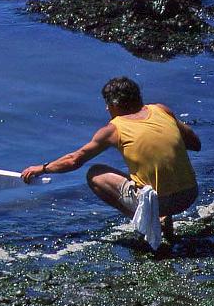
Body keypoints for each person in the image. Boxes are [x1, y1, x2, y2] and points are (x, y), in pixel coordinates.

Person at [21, 76, 200, 242]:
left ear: (114, 105)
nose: (107, 109)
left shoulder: (114, 129)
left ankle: (149, 221)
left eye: (107, 104)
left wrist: (43, 168)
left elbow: (74, 160)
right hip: (189, 195)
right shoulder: (161, 110)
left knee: (95, 174)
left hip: (157, 203)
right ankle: (161, 216)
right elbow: (195, 143)